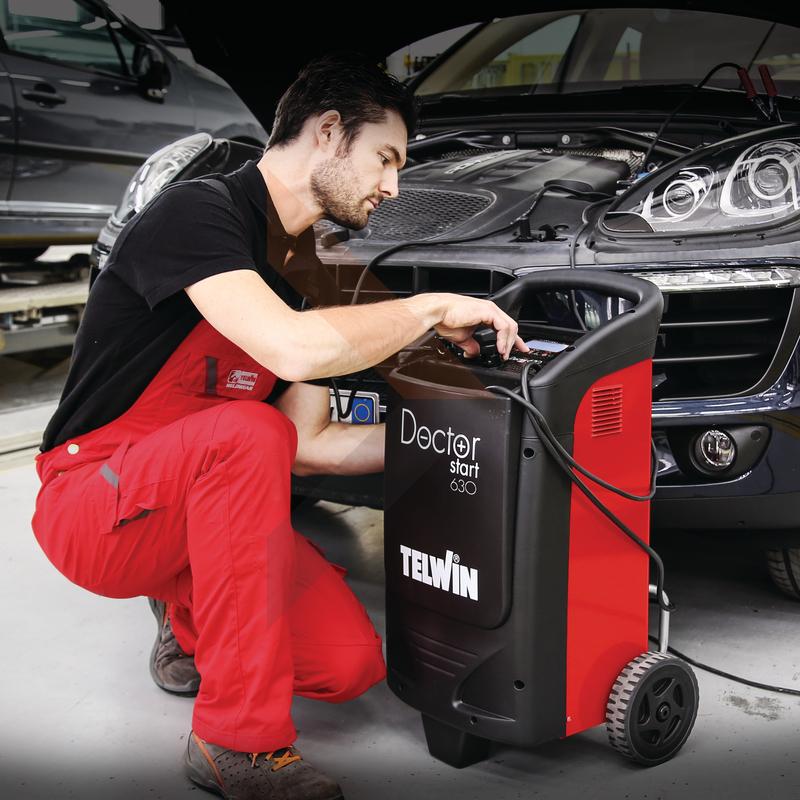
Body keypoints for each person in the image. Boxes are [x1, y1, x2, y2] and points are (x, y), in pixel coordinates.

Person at [30, 51, 527, 800]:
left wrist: (476, 440)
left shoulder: (308, 270)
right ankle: (235, 743)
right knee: (245, 433)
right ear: (327, 131)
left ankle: (188, 608)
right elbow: (291, 352)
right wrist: (428, 309)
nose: (393, 187)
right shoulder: (202, 213)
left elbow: (311, 445)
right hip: (94, 503)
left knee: (348, 663)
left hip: (198, 507)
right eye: (385, 158)